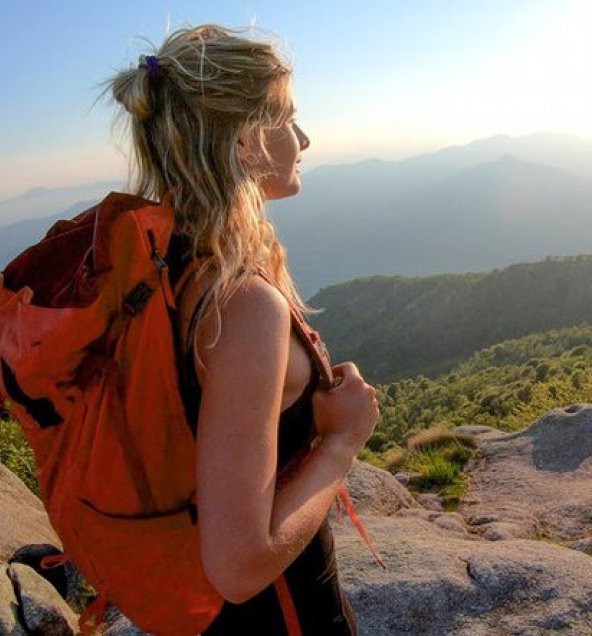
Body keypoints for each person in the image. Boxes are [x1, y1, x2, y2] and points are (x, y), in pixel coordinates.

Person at [105, 24, 379, 633]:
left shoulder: (159, 263)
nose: (303, 139)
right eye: (286, 119)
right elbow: (238, 564)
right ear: (246, 140)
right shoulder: (241, 305)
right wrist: (342, 442)